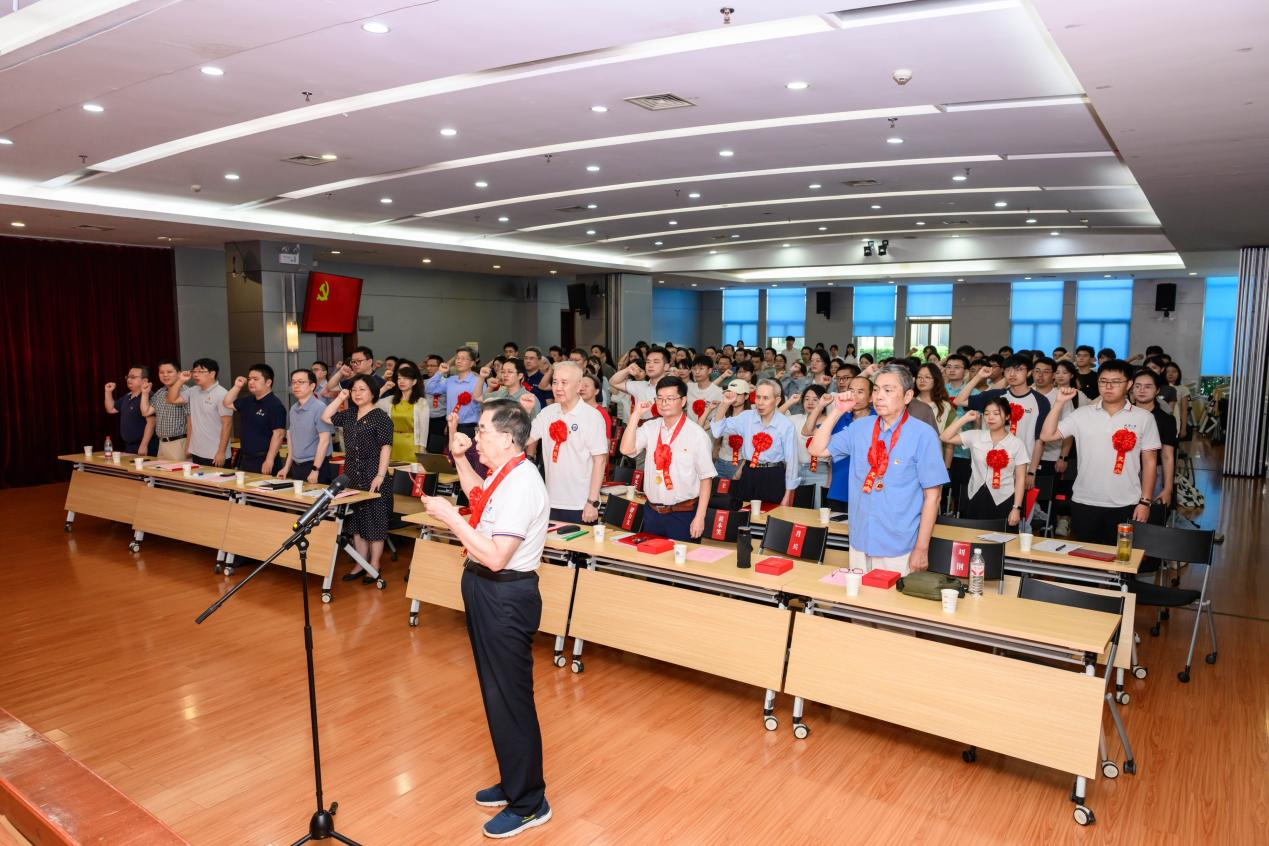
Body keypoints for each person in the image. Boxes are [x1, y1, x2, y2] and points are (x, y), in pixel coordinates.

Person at [419, 400, 552, 839]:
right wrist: (460, 460)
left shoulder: (523, 484)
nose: (475, 439)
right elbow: (480, 497)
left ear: (508, 439)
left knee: (510, 698)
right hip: (485, 589)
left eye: (482, 433)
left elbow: (496, 556)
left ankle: (530, 802)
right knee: (496, 695)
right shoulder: (504, 473)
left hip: (505, 594)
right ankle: (515, 782)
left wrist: (449, 517)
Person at [809, 364, 948, 573]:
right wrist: (837, 411)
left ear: (908, 396)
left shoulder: (923, 435)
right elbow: (816, 449)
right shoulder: (860, 427)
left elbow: (933, 497)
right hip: (860, 538)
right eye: (876, 390)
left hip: (899, 544)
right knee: (857, 594)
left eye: (888, 390)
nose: (879, 396)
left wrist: (922, 548)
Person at [1040, 360, 1160, 545]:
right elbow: (1047, 435)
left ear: (1128, 384)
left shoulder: (1144, 418)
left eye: (1116, 382)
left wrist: (1145, 502)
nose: (1108, 387)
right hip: (1084, 500)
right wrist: (1059, 403)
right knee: (1086, 556)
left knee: (1121, 558)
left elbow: (1150, 462)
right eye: (1103, 381)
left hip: (1126, 502)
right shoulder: (1082, 414)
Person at [619, 376, 715, 540]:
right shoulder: (650, 427)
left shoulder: (696, 434)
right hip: (652, 512)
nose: (664, 403)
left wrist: (700, 517)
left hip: (683, 514)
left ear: (683, 401)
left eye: (670, 399)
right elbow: (626, 449)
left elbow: (706, 478)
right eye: (660, 398)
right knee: (649, 556)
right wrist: (636, 415)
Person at [323, 375, 393, 582]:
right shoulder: (350, 414)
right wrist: (340, 397)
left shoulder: (381, 417)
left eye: (362, 389)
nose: (357, 393)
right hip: (352, 473)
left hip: (373, 474)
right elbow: (326, 417)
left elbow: (386, 447)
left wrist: (380, 474)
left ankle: (375, 564)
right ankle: (360, 562)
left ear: (373, 392)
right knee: (356, 521)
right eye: (354, 390)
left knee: (374, 521)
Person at [524, 361, 608, 524]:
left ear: (579, 386)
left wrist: (592, 502)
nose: (558, 388)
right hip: (550, 499)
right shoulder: (547, 413)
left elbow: (600, 461)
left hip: (580, 503)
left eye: (564, 382)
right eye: (555, 382)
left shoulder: (592, 416)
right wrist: (526, 412)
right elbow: (525, 439)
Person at [956, 354, 1049, 492]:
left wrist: (1032, 471)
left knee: (1016, 503)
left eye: (1018, 369)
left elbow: (1039, 439)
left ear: (1029, 372)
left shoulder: (1041, 401)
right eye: (1008, 370)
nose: (1012, 374)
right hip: (988, 463)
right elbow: (959, 401)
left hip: (1021, 464)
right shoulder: (995, 395)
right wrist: (978, 377)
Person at [704, 379, 799, 506]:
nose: (760, 403)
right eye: (758, 397)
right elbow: (717, 431)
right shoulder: (746, 417)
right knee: (744, 512)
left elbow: (792, 462)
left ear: (777, 401)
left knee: (771, 513)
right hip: (749, 473)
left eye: (765, 398)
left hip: (773, 475)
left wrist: (787, 495)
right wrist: (725, 404)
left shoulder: (786, 425)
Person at [940, 398, 1028, 524]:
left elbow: (1020, 479)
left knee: (1000, 535)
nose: (990, 417)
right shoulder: (975, 435)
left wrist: (1016, 508)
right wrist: (964, 419)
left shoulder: (1017, 444)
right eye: (986, 413)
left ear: (1007, 416)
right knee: (972, 533)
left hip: (1003, 498)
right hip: (975, 495)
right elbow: (944, 437)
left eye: (996, 413)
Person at [427, 347, 487, 473]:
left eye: (464, 359)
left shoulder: (478, 381)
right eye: (458, 358)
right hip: (451, 427)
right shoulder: (450, 380)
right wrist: (439, 372)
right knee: (450, 463)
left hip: (469, 428)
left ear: (472, 363)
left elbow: (485, 406)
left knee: (468, 464)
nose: (459, 361)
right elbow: (430, 389)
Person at [222, 363, 287, 474]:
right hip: (246, 458)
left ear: (268, 382)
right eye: (249, 379)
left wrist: (269, 460)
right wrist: (237, 386)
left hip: (264, 459)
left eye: (255, 379)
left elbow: (279, 434)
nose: (251, 382)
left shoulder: (275, 405)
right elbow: (227, 403)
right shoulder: (248, 400)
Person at [1131, 369, 1176, 525]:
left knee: (1148, 520)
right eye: (1137, 386)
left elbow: (1167, 456)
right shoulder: (1122, 414)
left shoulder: (1166, 419)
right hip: (1124, 470)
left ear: (1157, 390)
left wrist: (1168, 488)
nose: (1142, 390)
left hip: (1152, 473)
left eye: (1148, 386)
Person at [276, 369, 334, 483]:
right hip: (297, 465)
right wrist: (286, 467)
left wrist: (315, 469)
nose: (296, 386)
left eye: (301, 382)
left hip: (316, 465)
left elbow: (324, 441)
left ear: (312, 386)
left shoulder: (320, 408)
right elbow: (291, 440)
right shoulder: (293, 409)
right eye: (293, 382)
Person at [173, 358, 232, 467]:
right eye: (194, 371)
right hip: (197, 451)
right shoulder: (193, 390)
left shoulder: (222, 394)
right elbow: (172, 399)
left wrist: (221, 452)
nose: (195, 375)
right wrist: (180, 381)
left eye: (200, 371)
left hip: (214, 454)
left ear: (212, 374)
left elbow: (227, 425)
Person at [377, 361, 430, 463]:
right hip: (393, 444)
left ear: (414, 382)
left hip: (412, 445)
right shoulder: (391, 400)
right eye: (399, 378)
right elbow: (370, 403)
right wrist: (384, 388)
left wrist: (422, 449)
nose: (401, 381)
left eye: (405, 378)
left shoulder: (421, 402)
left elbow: (424, 428)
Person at [790, 384, 830, 507]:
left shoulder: (830, 421)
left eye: (815, 399)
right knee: (799, 510)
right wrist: (790, 402)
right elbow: (774, 418)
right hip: (798, 471)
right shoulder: (796, 419)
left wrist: (829, 481)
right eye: (807, 399)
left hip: (821, 471)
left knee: (818, 509)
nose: (810, 403)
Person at [141, 358, 189, 460]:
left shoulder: (185, 391)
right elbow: (146, 412)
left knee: (178, 470)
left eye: (169, 372)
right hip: (162, 443)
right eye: (161, 372)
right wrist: (145, 393)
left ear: (179, 373)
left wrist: (189, 446)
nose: (165, 375)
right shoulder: (160, 392)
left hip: (179, 443)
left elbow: (191, 422)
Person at [610, 345, 669, 424]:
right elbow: (613, 382)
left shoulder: (672, 388)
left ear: (666, 366)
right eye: (648, 362)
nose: (650, 365)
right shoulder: (639, 385)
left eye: (656, 362)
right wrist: (627, 370)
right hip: (639, 429)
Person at [104, 367, 155, 456]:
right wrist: (108, 392)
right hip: (129, 446)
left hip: (145, 446)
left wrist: (144, 445)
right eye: (128, 377)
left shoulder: (148, 396)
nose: (129, 379)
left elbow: (151, 423)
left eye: (133, 377)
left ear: (144, 381)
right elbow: (111, 409)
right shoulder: (127, 396)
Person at [423, 354, 448, 453]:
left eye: (432, 366)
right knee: (422, 451)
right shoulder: (424, 382)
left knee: (434, 451)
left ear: (440, 367)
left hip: (440, 421)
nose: (428, 368)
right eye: (427, 366)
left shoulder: (447, 383)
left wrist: (447, 424)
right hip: (425, 420)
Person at [578, 373, 612, 440]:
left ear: (596, 391)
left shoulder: (601, 414)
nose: (581, 389)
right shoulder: (573, 409)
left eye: (586, 386)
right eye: (580, 386)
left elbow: (607, 441)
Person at [1164, 362, 1191, 440]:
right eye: (1167, 371)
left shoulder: (1183, 389)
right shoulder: (1159, 387)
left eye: (1174, 371)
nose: (1170, 374)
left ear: (1179, 373)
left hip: (1175, 422)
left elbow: (1184, 410)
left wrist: (1183, 428)